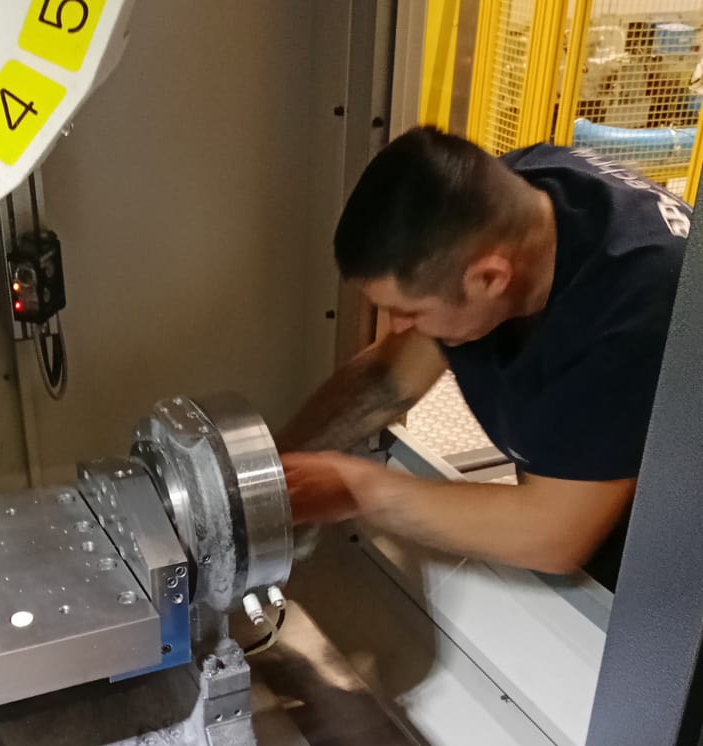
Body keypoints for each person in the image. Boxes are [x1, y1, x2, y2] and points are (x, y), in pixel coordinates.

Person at [279, 126, 691, 588]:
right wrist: (269, 476)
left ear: (490, 279)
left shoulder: (637, 312)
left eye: (409, 311)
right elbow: (390, 378)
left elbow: (553, 534)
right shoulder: (500, 201)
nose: (395, 327)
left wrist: (359, 490)